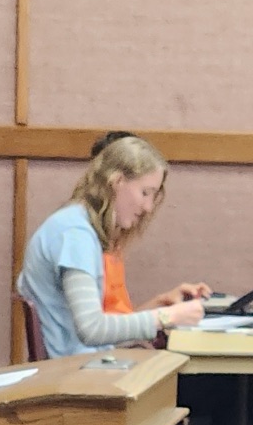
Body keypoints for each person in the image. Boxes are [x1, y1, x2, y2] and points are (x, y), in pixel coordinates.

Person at [17, 133, 207, 358]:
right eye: (145, 193)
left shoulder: (76, 225)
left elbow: (99, 331)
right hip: (75, 371)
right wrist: (167, 317)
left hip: (82, 364)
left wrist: (161, 308)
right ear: (117, 182)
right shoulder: (75, 235)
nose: (148, 207)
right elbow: (92, 329)